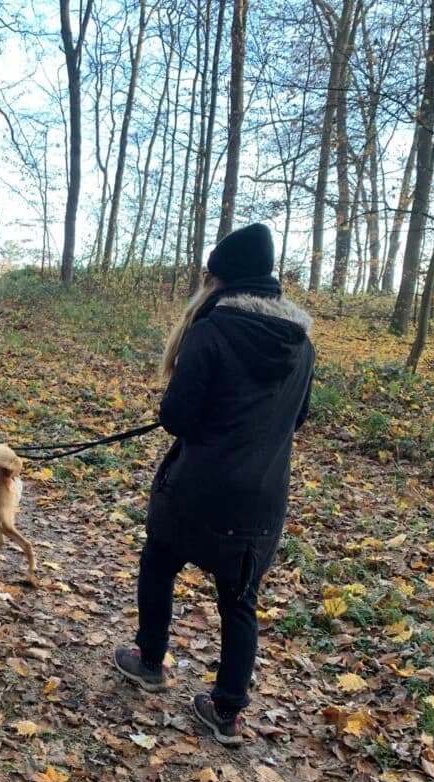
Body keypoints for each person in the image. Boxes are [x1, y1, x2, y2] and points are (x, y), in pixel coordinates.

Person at [114, 223, 314, 746]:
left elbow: (177, 417)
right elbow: (298, 418)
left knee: (158, 563)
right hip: (261, 504)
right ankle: (227, 712)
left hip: (195, 493)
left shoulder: (210, 331)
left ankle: (150, 659)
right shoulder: (301, 344)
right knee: (239, 602)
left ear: (221, 279)